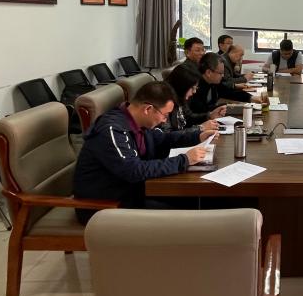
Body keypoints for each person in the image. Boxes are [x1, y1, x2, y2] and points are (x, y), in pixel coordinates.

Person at [73, 81, 216, 222]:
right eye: (165, 115)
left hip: (133, 192)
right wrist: (184, 160)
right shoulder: (112, 129)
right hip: (105, 206)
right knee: (185, 215)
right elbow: (133, 170)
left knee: (196, 201)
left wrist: (197, 136)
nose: (164, 120)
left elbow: (163, 139)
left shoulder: (137, 122)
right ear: (148, 109)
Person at [190, 52, 267, 116]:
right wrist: (229, 107)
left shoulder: (213, 82)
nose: (223, 76)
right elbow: (202, 110)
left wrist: (251, 98)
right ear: (208, 73)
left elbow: (229, 92)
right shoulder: (195, 87)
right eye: (220, 73)